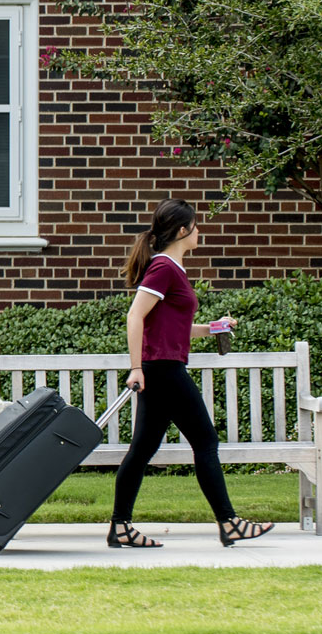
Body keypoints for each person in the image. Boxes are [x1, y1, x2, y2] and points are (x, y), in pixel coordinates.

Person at [108, 198, 273, 548]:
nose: (199, 231)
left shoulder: (171, 270)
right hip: (163, 369)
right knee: (206, 441)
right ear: (183, 231)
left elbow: (173, 326)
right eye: (196, 226)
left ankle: (120, 526)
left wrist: (214, 328)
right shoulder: (164, 268)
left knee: (141, 450)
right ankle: (229, 523)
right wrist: (136, 367)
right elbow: (135, 316)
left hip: (161, 366)